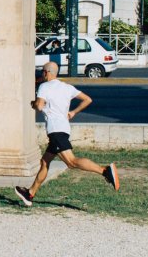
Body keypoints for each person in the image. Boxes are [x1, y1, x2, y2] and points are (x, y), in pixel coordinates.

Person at [15, 60, 119, 206]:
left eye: (42, 72)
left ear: (46, 73)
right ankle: (30, 194)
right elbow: (87, 99)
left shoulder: (44, 86)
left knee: (71, 162)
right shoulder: (67, 87)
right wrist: (73, 112)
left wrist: (33, 103)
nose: (41, 75)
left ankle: (105, 171)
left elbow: (39, 106)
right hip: (63, 128)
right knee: (44, 162)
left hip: (55, 130)